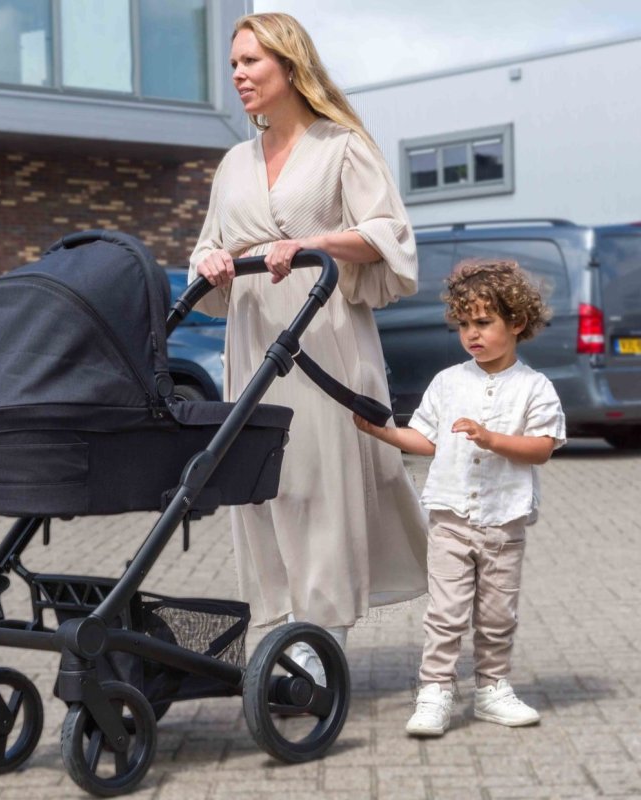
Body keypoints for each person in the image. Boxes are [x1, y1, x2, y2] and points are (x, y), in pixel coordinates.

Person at [189, 12, 428, 680]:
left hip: (322, 334)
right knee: (268, 484)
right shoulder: (233, 164)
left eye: (251, 62)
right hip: (252, 340)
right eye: (233, 64)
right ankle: (284, 624)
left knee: (320, 483)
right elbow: (208, 246)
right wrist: (211, 262)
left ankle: (321, 637)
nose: (238, 75)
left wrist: (310, 244)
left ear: (290, 66)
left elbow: (388, 234)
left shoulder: (341, 146)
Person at [354, 259, 566, 735]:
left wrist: (492, 439)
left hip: (504, 522)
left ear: (517, 322)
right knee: (445, 613)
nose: (472, 334)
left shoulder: (535, 388)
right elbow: (426, 440)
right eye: (465, 324)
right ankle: (435, 692)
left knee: (496, 616)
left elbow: (542, 448)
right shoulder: (448, 382)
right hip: (450, 519)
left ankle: (492, 689)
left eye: (484, 322)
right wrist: (383, 432)